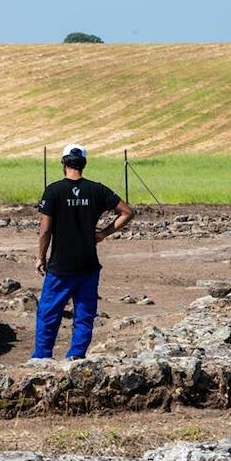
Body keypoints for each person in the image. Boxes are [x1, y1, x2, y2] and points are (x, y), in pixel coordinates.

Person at [31, 144, 135, 359]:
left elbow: (45, 230)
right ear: (84, 164)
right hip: (88, 264)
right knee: (84, 315)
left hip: (60, 265)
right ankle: (76, 357)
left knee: (48, 314)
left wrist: (41, 257)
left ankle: (41, 358)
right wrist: (104, 233)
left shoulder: (54, 190)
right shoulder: (96, 190)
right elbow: (127, 212)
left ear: (64, 163)